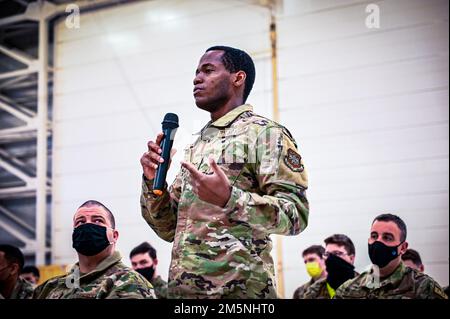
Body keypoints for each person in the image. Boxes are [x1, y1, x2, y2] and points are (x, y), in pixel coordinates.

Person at [140, 46, 309, 298]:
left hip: (240, 296)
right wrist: (153, 184)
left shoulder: (265, 134)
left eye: (208, 70)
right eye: (196, 72)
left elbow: (296, 214)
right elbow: (168, 228)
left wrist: (230, 199)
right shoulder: (199, 144)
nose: (197, 78)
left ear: (237, 78)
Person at [33, 200, 155, 299]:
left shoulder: (129, 283)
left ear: (114, 235)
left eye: (98, 221)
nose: (87, 225)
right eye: (80, 222)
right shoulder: (50, 287)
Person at [335, 213, 447, 299]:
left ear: (403, 247)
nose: (378, 242)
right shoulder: (348, 290)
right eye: (374, 236)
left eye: (387, 238)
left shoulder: (423, 287)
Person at [303, 234, 357, 299]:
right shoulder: (314, 291)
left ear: (351, 258)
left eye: (337, 253)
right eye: (327, 254)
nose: (330, 258)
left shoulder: (365, 285)